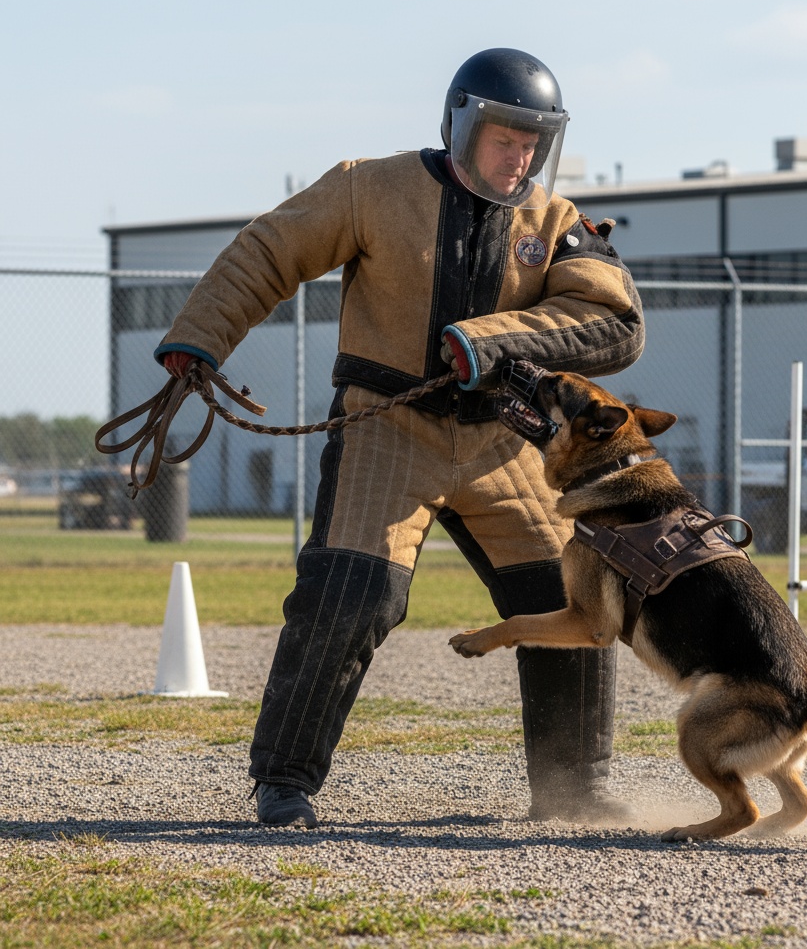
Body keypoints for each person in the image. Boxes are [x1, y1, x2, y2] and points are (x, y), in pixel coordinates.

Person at [155, 47, 646, 828]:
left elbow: (615, 323)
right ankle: (284, 783)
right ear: (459, 122)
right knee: (352, 594)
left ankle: (573, 789)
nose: (518, 157)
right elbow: (268, 251)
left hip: (503, 445)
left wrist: (491, 342)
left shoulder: (556, 224)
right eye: (503, 138)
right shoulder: (367, 187)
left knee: (567, 595)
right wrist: (198, 335)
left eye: (532, 143)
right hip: (387, 429)